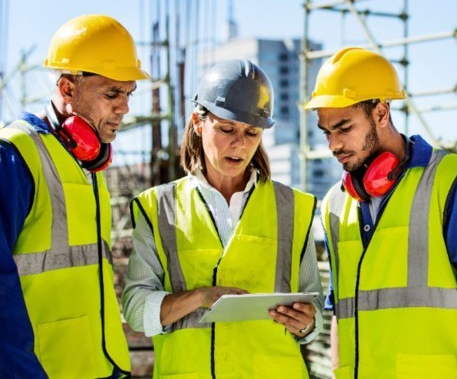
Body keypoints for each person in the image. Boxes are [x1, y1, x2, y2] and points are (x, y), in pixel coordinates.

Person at [304, 47, 457, 379]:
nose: (333, 145)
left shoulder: (453, 180)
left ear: (381, 113)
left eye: (344, 127)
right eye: (327, 132)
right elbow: (340, 310)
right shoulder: (335, 204)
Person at [122, 59, 324, 378]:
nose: (239, 144)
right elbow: (135, 310)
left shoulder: (292, 208)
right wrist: (202, 297)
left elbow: (314, 312)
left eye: (252, 133)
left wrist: (307, 322)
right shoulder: (158, 208)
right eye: (227, 129)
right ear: (198, 123)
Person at [0, 14, 150, 378]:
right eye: (112, 93)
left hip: (101, 366)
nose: (125, 107)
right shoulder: (15, 156)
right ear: (67, 89)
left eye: (128, 93)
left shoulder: (87, 161)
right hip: (42, 370)